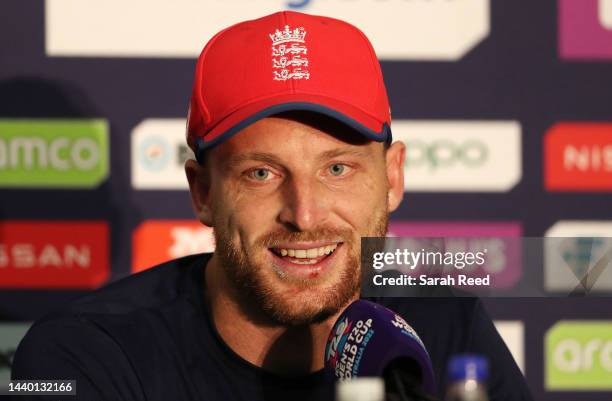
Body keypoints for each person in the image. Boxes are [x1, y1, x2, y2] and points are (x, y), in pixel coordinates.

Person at [11, 11, 532, 401]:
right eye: (261, 173)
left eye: (337, 169)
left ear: (393, 178)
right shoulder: (87, 354)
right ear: (203, 193)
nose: (304, 215)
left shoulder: (448, 329)